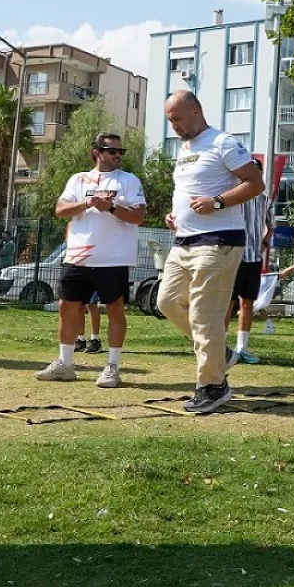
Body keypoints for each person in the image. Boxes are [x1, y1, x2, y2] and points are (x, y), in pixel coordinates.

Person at [157, 92, 264, 412]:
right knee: (166, 301)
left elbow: (255, 183)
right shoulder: (185, 150)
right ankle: (221, 356)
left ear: (195, 110)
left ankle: (213, 386)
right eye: (169, 120)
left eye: (177, 118)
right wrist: (175, 215)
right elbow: (189, 191)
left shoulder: (224, 142)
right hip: (184, 241)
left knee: (205, 315)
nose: (173, 126)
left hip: (219, 240)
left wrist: (217, 202)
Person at [37, 131, 147, 388]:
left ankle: (113, 367)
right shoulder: (78, 180)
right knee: (67, 306)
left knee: (114, 309)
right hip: (77, 256)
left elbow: (139, 216)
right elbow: (60, 210)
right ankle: (65, 363)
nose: (118, 155)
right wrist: (88, 203)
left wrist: (110, 207)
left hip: (113, 258)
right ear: (97, 152)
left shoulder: (129, 181)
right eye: (112, 151)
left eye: (121, 152)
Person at [229, 163, 272, 364]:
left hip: (254, 257)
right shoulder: (234, 196)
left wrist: (264, 243)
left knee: (247, 302)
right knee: (227, 303)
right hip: (234, 256)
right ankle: (219, 347)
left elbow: (270, 226)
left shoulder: (264, 200)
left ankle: (242, 347)